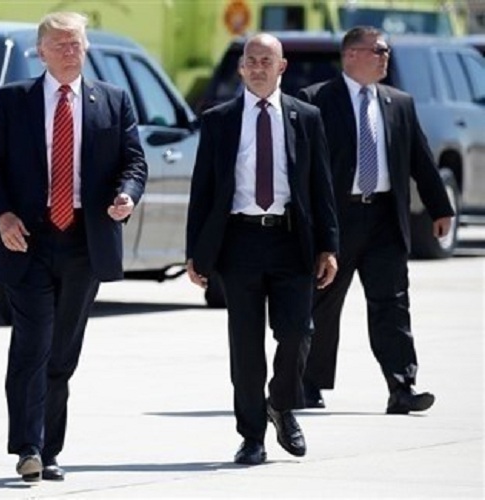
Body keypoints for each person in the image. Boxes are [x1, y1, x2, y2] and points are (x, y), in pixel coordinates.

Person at [0, 11, 147, 482]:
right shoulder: (13, 101)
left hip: (84, 242)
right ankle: (28, 447)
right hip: (27, 240)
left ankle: (50, 449)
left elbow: (134, 161)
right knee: (32, 344)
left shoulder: (112, 100)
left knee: (62, 353)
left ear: (86, 48)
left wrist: (127, 195)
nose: (70, 52)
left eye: (77, 44)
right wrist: (2, 215)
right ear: (41, 52)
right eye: (60, 45)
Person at [185, 33, 339, 466]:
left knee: (298, 332)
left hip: (292, 240)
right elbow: (203, 189)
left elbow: (321, 185)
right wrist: (195, 252)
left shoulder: (306, 117)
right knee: (246, 346)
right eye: (250, 61)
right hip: (240, 242)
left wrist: (328, 246)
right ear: (240, 68)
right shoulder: (219, 120)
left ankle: (282, 405)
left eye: (265, 61)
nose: (257, 68)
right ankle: (251, 436)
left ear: (281, 67)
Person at [297, 26, 454, 413]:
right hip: (336, 219)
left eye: (386, 50)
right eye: (378, 50)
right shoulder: (316, 101)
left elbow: (420, 158)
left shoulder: (398, 103)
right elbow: (301, 168)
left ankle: (402, 386)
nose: (386, 56)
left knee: (392, 303)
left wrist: (440, 207)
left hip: (384, 217)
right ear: (351, 55)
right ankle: (309, 383)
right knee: (322, 303)